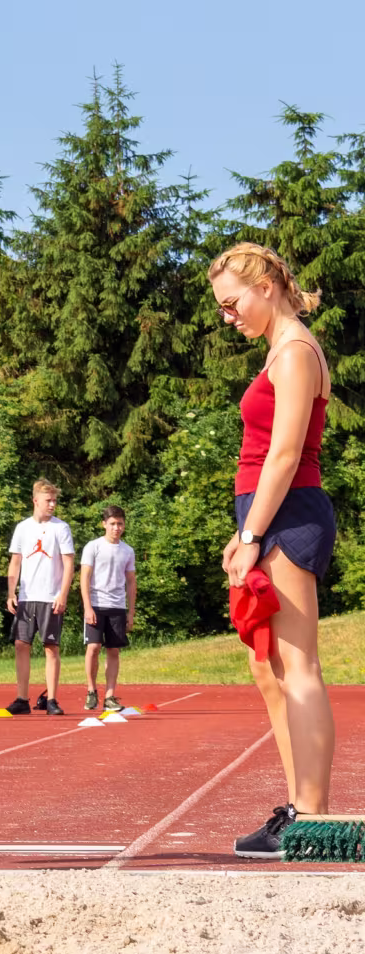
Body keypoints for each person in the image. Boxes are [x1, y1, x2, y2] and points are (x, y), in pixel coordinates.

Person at [212, 242, 336, 860]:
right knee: (268, 668)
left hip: (287, 514)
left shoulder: (294, 353)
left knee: (297, 666)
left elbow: (285, 455)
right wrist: (245, 529)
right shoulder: (279, 350)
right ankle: (298, 809)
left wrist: (252, 533)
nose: (228, 316)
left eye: (232, 303)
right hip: (267, 514)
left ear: (265, 286)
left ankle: (312, 816)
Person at [3, 480, 75, 716]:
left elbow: (68, 563)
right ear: (35, 501)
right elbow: (15, 562)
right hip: (27, 596)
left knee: (51, 647)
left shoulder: (61, 528)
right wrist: (11, 592)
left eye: (54, 500)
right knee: (21, 645)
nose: (52, 504)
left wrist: (63, 594)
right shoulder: (22, 527)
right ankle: (22, 698)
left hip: (50, 597)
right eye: (48, 500)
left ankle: (51, 699)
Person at [79, 505, 136, 711]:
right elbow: (84, 578)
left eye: (120, 524)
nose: (116, 528)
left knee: (113, 650)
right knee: (93, 648)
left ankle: (110, 696)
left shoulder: (127, 551)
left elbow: (131, 582)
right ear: (104, 524)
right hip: (96, 605)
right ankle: (91, 691)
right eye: (112, 523)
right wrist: (87, 607)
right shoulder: (93, 547)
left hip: (117, 606)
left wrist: (131, 612)